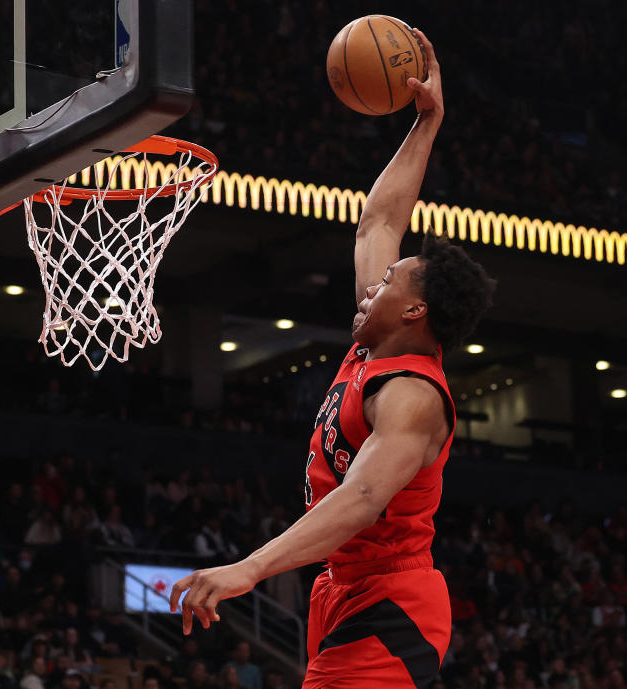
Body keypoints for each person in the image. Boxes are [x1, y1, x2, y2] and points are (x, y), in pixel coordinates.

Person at [171, 28, 495, 689]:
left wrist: (250, 567)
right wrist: (428, 123)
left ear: (414, 313)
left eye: (390, 282)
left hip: (393, 600)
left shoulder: (412, 394)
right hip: (341, 589)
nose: (373, 283)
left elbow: (365, 496)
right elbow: (379, 220)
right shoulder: (371, 345)